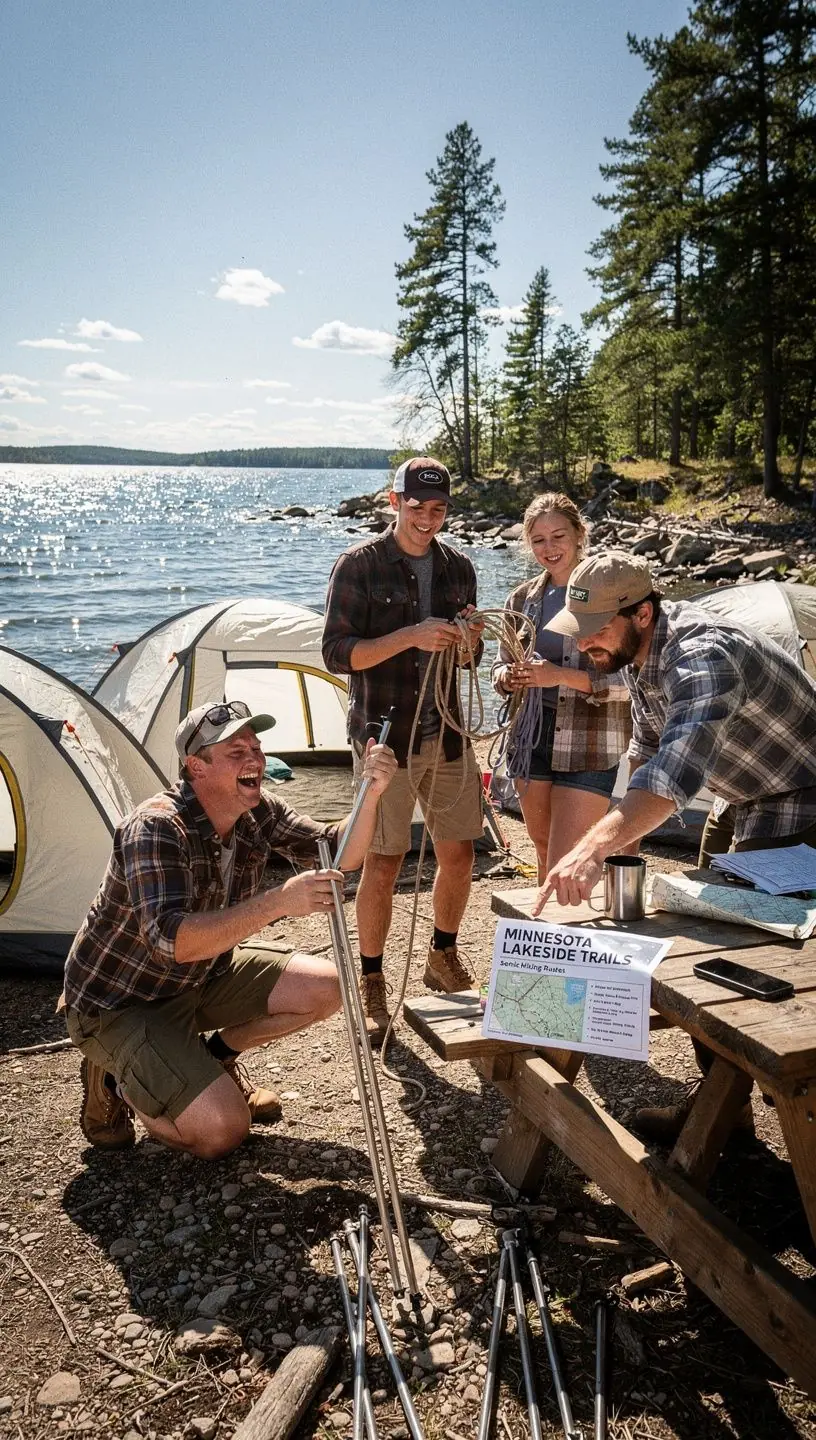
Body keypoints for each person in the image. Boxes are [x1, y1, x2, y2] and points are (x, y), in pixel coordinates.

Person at [532, 550, 816, 1136]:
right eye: (578, 632)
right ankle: (725, 1114)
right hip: (740, 795)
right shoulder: (638, 656)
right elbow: (647, 751)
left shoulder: (705, 654)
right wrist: (619, 845)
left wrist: (590, 849)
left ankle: (790, 1100)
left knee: (753, 954)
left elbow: (672, 780)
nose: (585, 645)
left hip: (801, 795)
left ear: (643, 613)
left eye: (596, 631)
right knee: (710, 945)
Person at [63, 700, 397, 1158]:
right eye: (236, 751)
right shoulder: (157, 827)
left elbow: (340, 853)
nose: (255, 760)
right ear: (195, 766)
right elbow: (170, 941)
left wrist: (372, 792)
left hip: (199, 977)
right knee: (221, 1132)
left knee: (331, 986)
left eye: (256, 748)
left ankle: (214, 1055)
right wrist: (279, 903)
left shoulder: (258, 811)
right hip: (121, 1002)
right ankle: (116, 1080)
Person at [322, 456, 485, 1045]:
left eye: (438, 509)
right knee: (383, 863)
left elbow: (470, 659)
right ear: (394, 503)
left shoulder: (459, 568)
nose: (426, 518)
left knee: (460, 853)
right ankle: (371, 981)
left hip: (445, 733)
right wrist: (408, 637)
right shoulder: (358, 567)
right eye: (416, 506)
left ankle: (442, 956)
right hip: (383, 739)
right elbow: (337, 653)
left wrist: (470, 643)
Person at [492, 494, 632, 882]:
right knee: (541, 848)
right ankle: (551, 937)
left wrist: (557, 675)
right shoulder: (521, 598)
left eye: (558, 537)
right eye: (538, 541)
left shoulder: (612, 593)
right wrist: (506, 677)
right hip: (530, 738)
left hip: (590, 742)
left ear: (579, 534)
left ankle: (572, 933)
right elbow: (499, 663)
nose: (548, 549)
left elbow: (632, 681)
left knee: (568, 858)